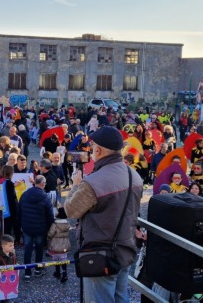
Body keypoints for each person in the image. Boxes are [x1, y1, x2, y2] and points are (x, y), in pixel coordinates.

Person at [63, 126, 141, 303]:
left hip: (100, 255)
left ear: (97, 150)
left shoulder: (92, 182)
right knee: (121, 297)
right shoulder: (134, 175)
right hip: (125, 248)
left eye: (92, 146)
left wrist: (76, 184)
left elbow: (71, 210)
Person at [18, 174, 54, 280]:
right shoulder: (45, 197)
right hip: (40, 228)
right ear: (43, 184)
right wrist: (48, 227)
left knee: (28, 248)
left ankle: (27, 272)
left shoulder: (24, 195)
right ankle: (38, 270)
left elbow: (19, 212)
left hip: (27, 226)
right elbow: (50, 216)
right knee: (39, 248)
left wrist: (21, 224)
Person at [48, 207, 71, 283]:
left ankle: (57, 272)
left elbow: (50, 234)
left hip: (56, 246)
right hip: (64, 246)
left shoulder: (55, 224)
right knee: (63, 260)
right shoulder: (67, 224)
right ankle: (65, 273)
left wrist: (48, 238)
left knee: (56, 260)